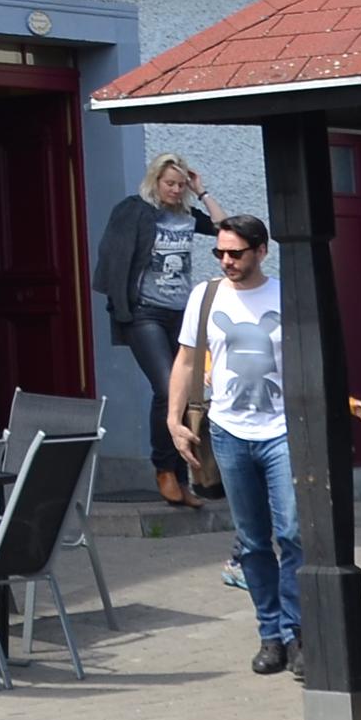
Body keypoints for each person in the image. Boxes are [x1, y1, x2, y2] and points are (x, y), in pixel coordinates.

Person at [168, 215, 324, 677]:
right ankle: (270, 635)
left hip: (281, 430)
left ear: (261, 251)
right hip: (228, 430)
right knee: (253, 541)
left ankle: (299, 634)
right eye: (220, 253)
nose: (227, 261)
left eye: (236, 252)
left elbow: (311, 357)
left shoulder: (285, 294)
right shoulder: (206, 295)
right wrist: (173, 420)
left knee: (293, 531)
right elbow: (187, 359)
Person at [94, 153, 221, 506]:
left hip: (182, 314)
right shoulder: (136, 210)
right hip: (145, 313)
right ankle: (164, 470)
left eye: (181, 185)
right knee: (168, 388)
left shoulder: (186, 216)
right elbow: (112, 256)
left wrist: (202, 192)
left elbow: (227, 230)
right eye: (170, 184)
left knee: (185, 393)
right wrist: (121, 306)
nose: (175, 190)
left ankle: (182, 478)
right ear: (155, 181)